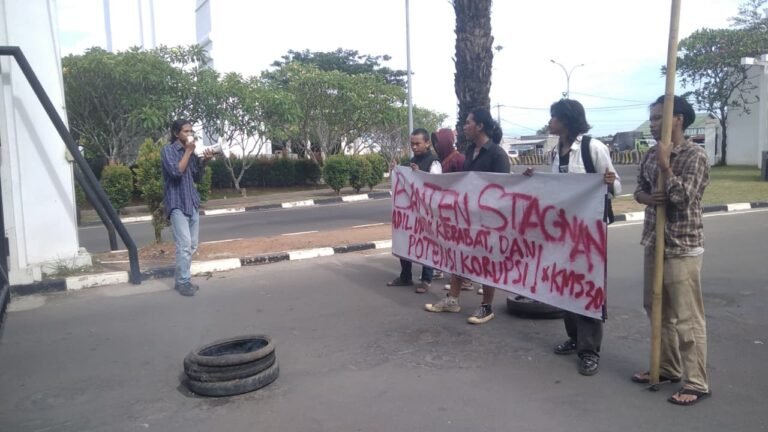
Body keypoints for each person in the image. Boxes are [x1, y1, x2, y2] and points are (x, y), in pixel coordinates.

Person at [632, 95, 711, 406]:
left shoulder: (696, 156)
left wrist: (667, 166)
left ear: (678, 119)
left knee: (687, 318)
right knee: (655, 309)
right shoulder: (650, 154)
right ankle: (667, 367)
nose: (652, 124)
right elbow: (638, 189)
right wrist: (646, 198)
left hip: (682, 246)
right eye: (651, 119)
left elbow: (683, 198)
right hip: (654, 240)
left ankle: (696, 381)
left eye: (657, 118)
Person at [544, 99, 621, 376]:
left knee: (587, 287)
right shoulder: (556, 152)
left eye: (554, 117)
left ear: (566, 120)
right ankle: (574, 337)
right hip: (564, 230)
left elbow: (617, 187)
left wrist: (609, 182)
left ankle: (589, 350)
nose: (550, 121)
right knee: (567, 285)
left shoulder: (592, 148)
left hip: (590, 232)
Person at [424, 108, 511, 324]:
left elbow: (504, 189)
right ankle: (452, 300)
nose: (464, 126)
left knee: (488, 261)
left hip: (489, 220)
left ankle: (486, 307)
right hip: (466, 218)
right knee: (458, 254)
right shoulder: (470, 151)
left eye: (469, 122)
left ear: (480, 126)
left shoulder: (497, 155)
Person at [161, 119, 213, 297]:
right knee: (184, 245)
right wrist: (189, 152)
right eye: (186, 131)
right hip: (176, 203)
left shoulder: (190, 152)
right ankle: (183, 281)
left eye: (191, 131)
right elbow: (176, 172)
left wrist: (204, 161)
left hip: (191, 202)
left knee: (191, 245)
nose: (189, 134)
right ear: (176, 134)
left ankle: (181, 277)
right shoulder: (168, 151)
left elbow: (197, 177)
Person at [387, 128, 441, 293]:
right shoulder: (410, 161)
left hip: (427, 212)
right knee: (405, 238)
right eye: (412, 144)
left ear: (427, 143)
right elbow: (402, 185)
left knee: (427, 243)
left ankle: (426, 279)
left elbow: (435, 185)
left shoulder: (434, 162)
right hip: (411, 212)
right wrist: (395, 171)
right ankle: (405, 276)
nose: (415, 147)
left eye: (418, 143)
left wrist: (419, 174)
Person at [431, 128, 475, 293]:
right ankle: (459, 278)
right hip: (448, 211)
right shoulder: (443, 160)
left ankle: (466, 279)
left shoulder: (458, 160)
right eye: (434, 142)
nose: (436, 145)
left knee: (461, 245)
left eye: (438, 142)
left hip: (459, 211)